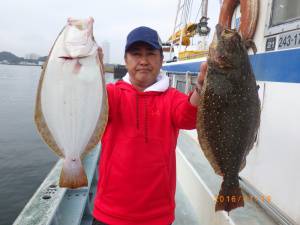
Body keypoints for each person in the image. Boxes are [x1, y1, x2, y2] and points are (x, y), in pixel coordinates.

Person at [93, 26, 207, 225]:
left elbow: (189, 118)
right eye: (136, 54)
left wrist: (201, 88)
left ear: (161, 60)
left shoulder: (172, 98)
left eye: (151, 54)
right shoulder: (111, 94)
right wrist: (90, 71)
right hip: (109, 212)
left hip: (157, 216)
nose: (143, 61)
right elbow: (88, 106)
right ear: (126, 60)